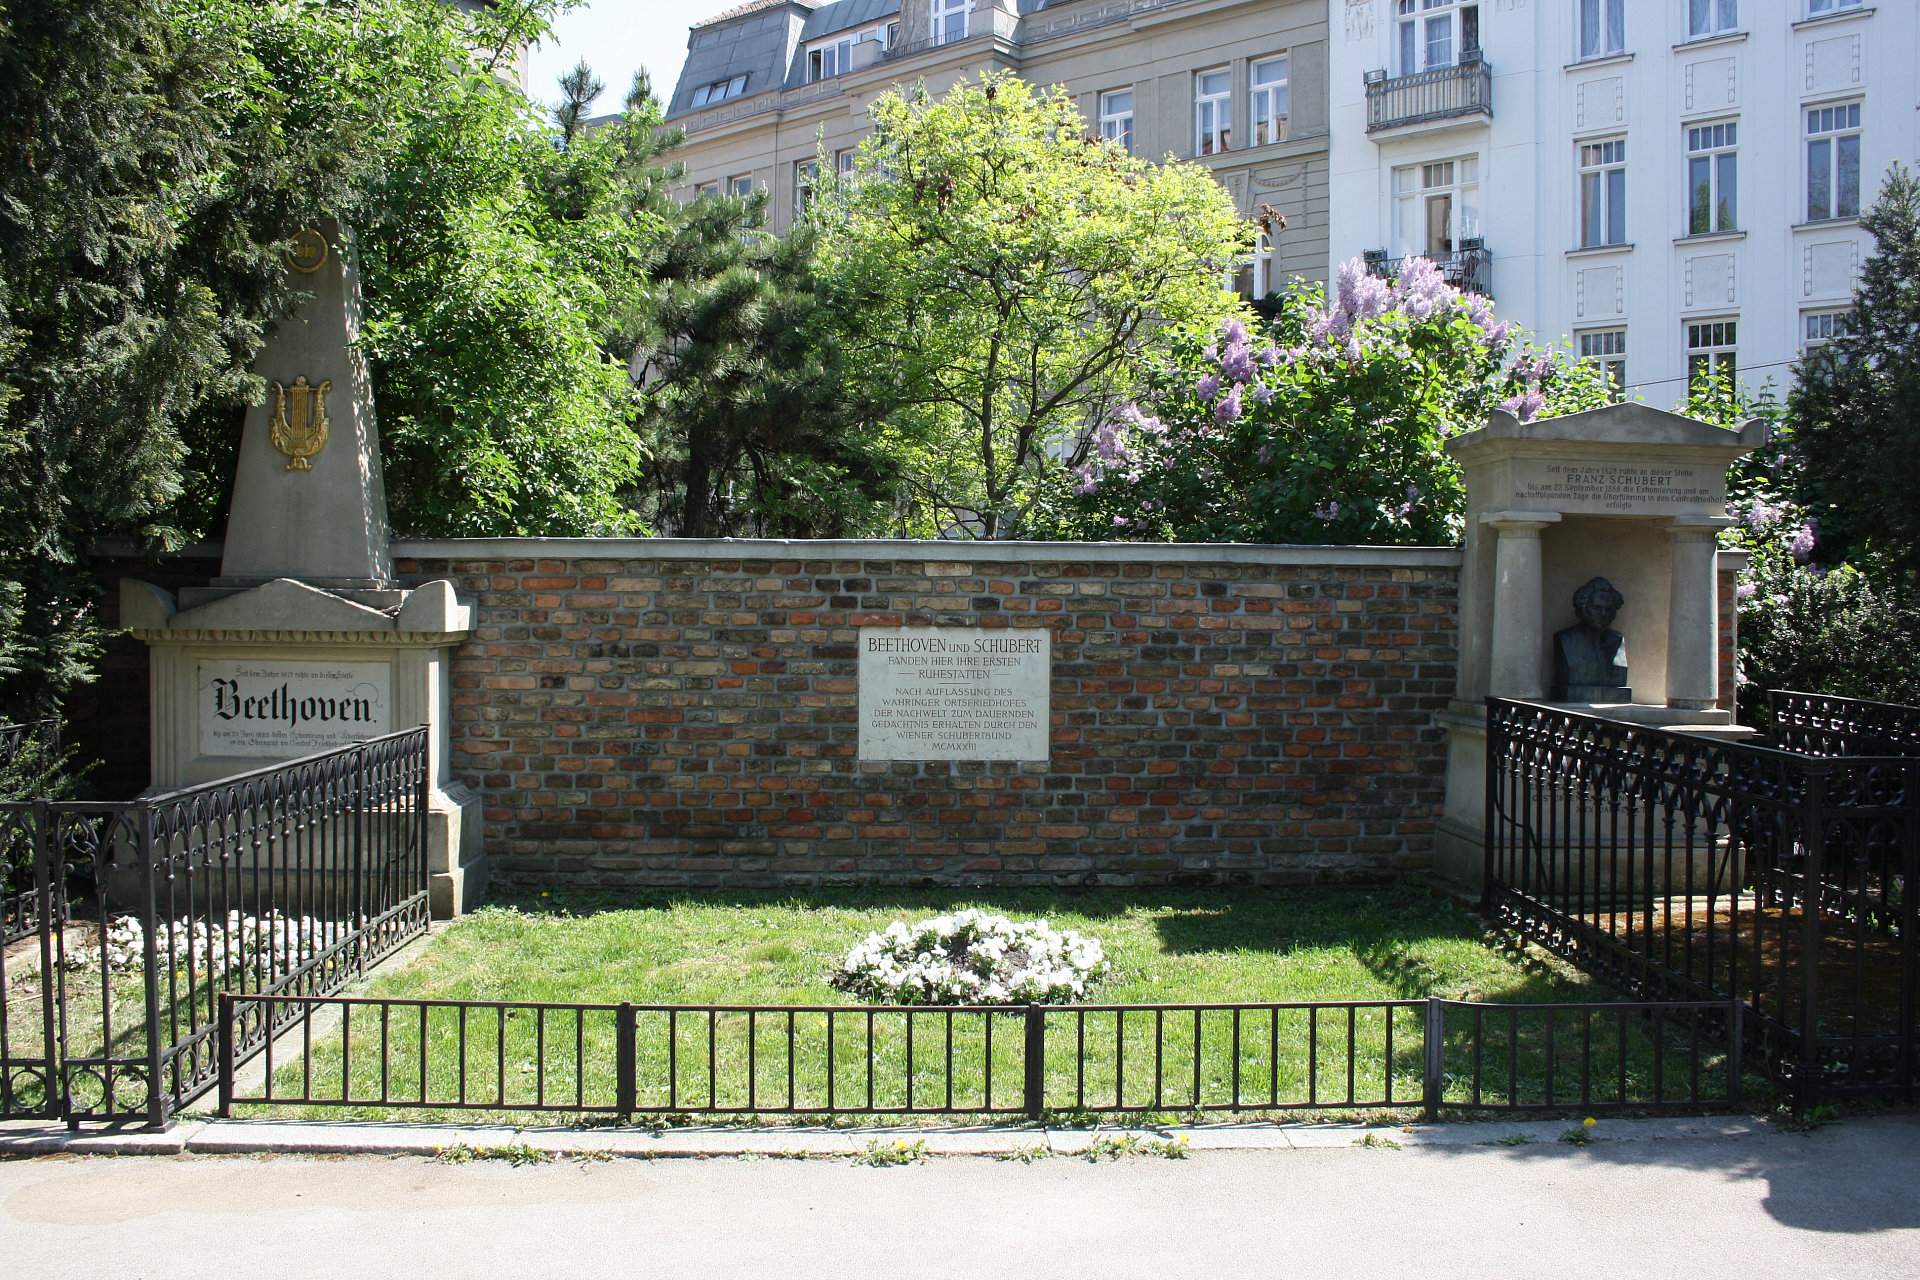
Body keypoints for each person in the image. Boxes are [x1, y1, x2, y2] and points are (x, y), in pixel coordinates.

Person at [1550, 577, 1631, 702]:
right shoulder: (1566, 639)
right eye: (1596, 608)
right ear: (1583, 609)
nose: (1603, 613)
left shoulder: (1617, 640)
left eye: (1609, 608)